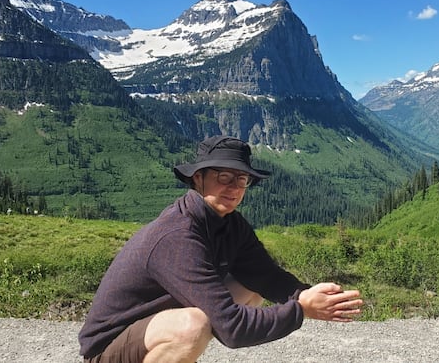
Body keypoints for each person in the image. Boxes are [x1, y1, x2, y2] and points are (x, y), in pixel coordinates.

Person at [78, 135, 363, 362]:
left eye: (242, 180)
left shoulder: (229, 223)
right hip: (108, 348)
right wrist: (301, 310)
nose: (234, 188)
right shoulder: (177, 235)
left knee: (251, 287)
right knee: (193, 326)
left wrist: (307, 293)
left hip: (152, 326)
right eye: (223, 177)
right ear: (198, 178)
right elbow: (232, 329)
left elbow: (265, 276)